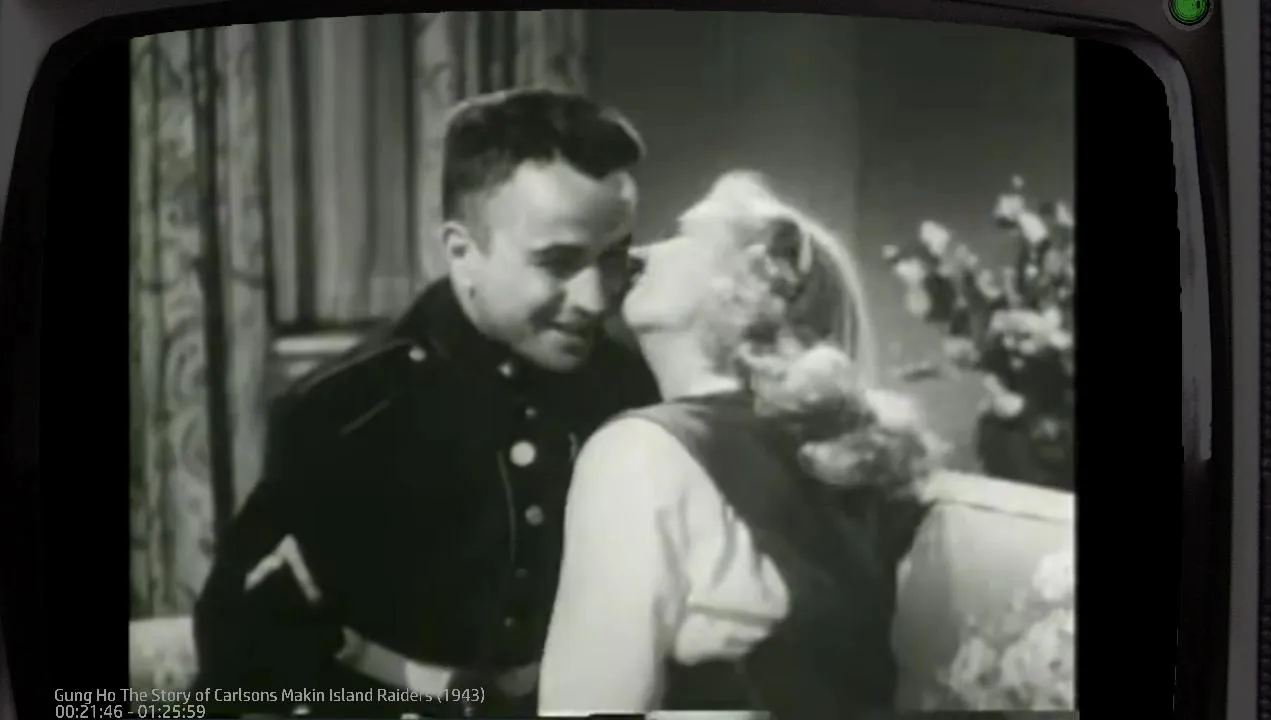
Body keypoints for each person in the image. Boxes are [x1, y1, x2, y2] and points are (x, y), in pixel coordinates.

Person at [192, 88, 659, 719]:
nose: (596, 299)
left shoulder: (631, 389)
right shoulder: (349, 410)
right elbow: (240, 659)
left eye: (615, 258)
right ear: (463, 253)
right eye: (557, 263)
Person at [537, 172, 936, 718]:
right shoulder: (832, 453)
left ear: (741, 287)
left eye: (679, 235)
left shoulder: (639, 451)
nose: (642, 253)